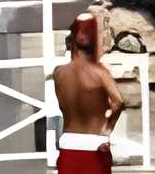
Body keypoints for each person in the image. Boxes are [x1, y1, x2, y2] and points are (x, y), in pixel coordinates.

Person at [52, 12, 124, 174]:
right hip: (94, 142)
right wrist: (108, 126)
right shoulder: (99, 73)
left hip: (68, 141)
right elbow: (118, 101)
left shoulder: (59, 73)